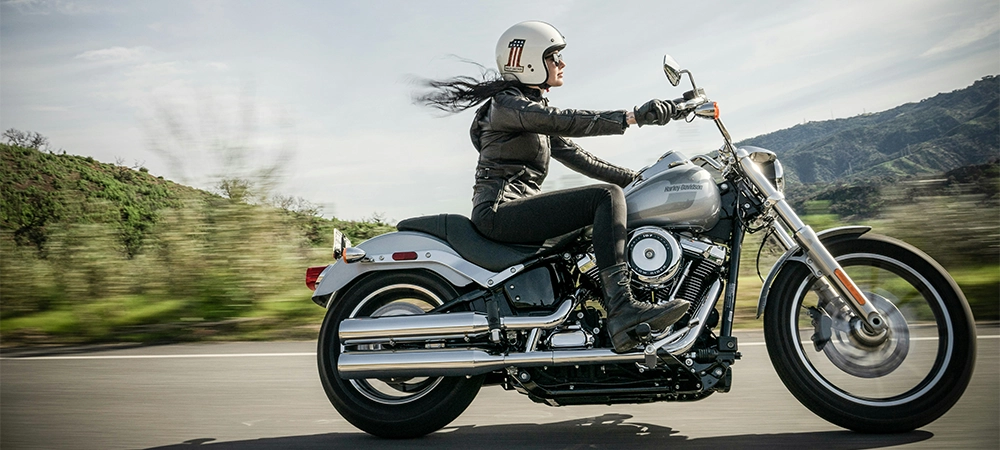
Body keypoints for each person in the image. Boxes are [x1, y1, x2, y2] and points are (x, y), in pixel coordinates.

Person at [417, 21, 688, 353]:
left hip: (518, 206)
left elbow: (580, 158)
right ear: (528, 61)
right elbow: (567, 120)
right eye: (554, 57)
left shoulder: (529, 112)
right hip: (500, 211)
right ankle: (623, 311)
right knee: (605, 197)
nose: (561, 64)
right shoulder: (508, 105)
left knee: (603, 215)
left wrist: (640, 178)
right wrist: (631, 117)